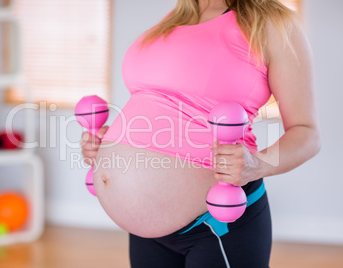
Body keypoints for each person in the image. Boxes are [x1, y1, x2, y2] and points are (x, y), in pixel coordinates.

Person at [80, 0, 321, 267]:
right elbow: (157, 104)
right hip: (146, 233)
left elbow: (307, 134)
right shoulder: (174, 18)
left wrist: (258, 165)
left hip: (217, 223)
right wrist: (107, 144)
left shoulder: (272, 23)